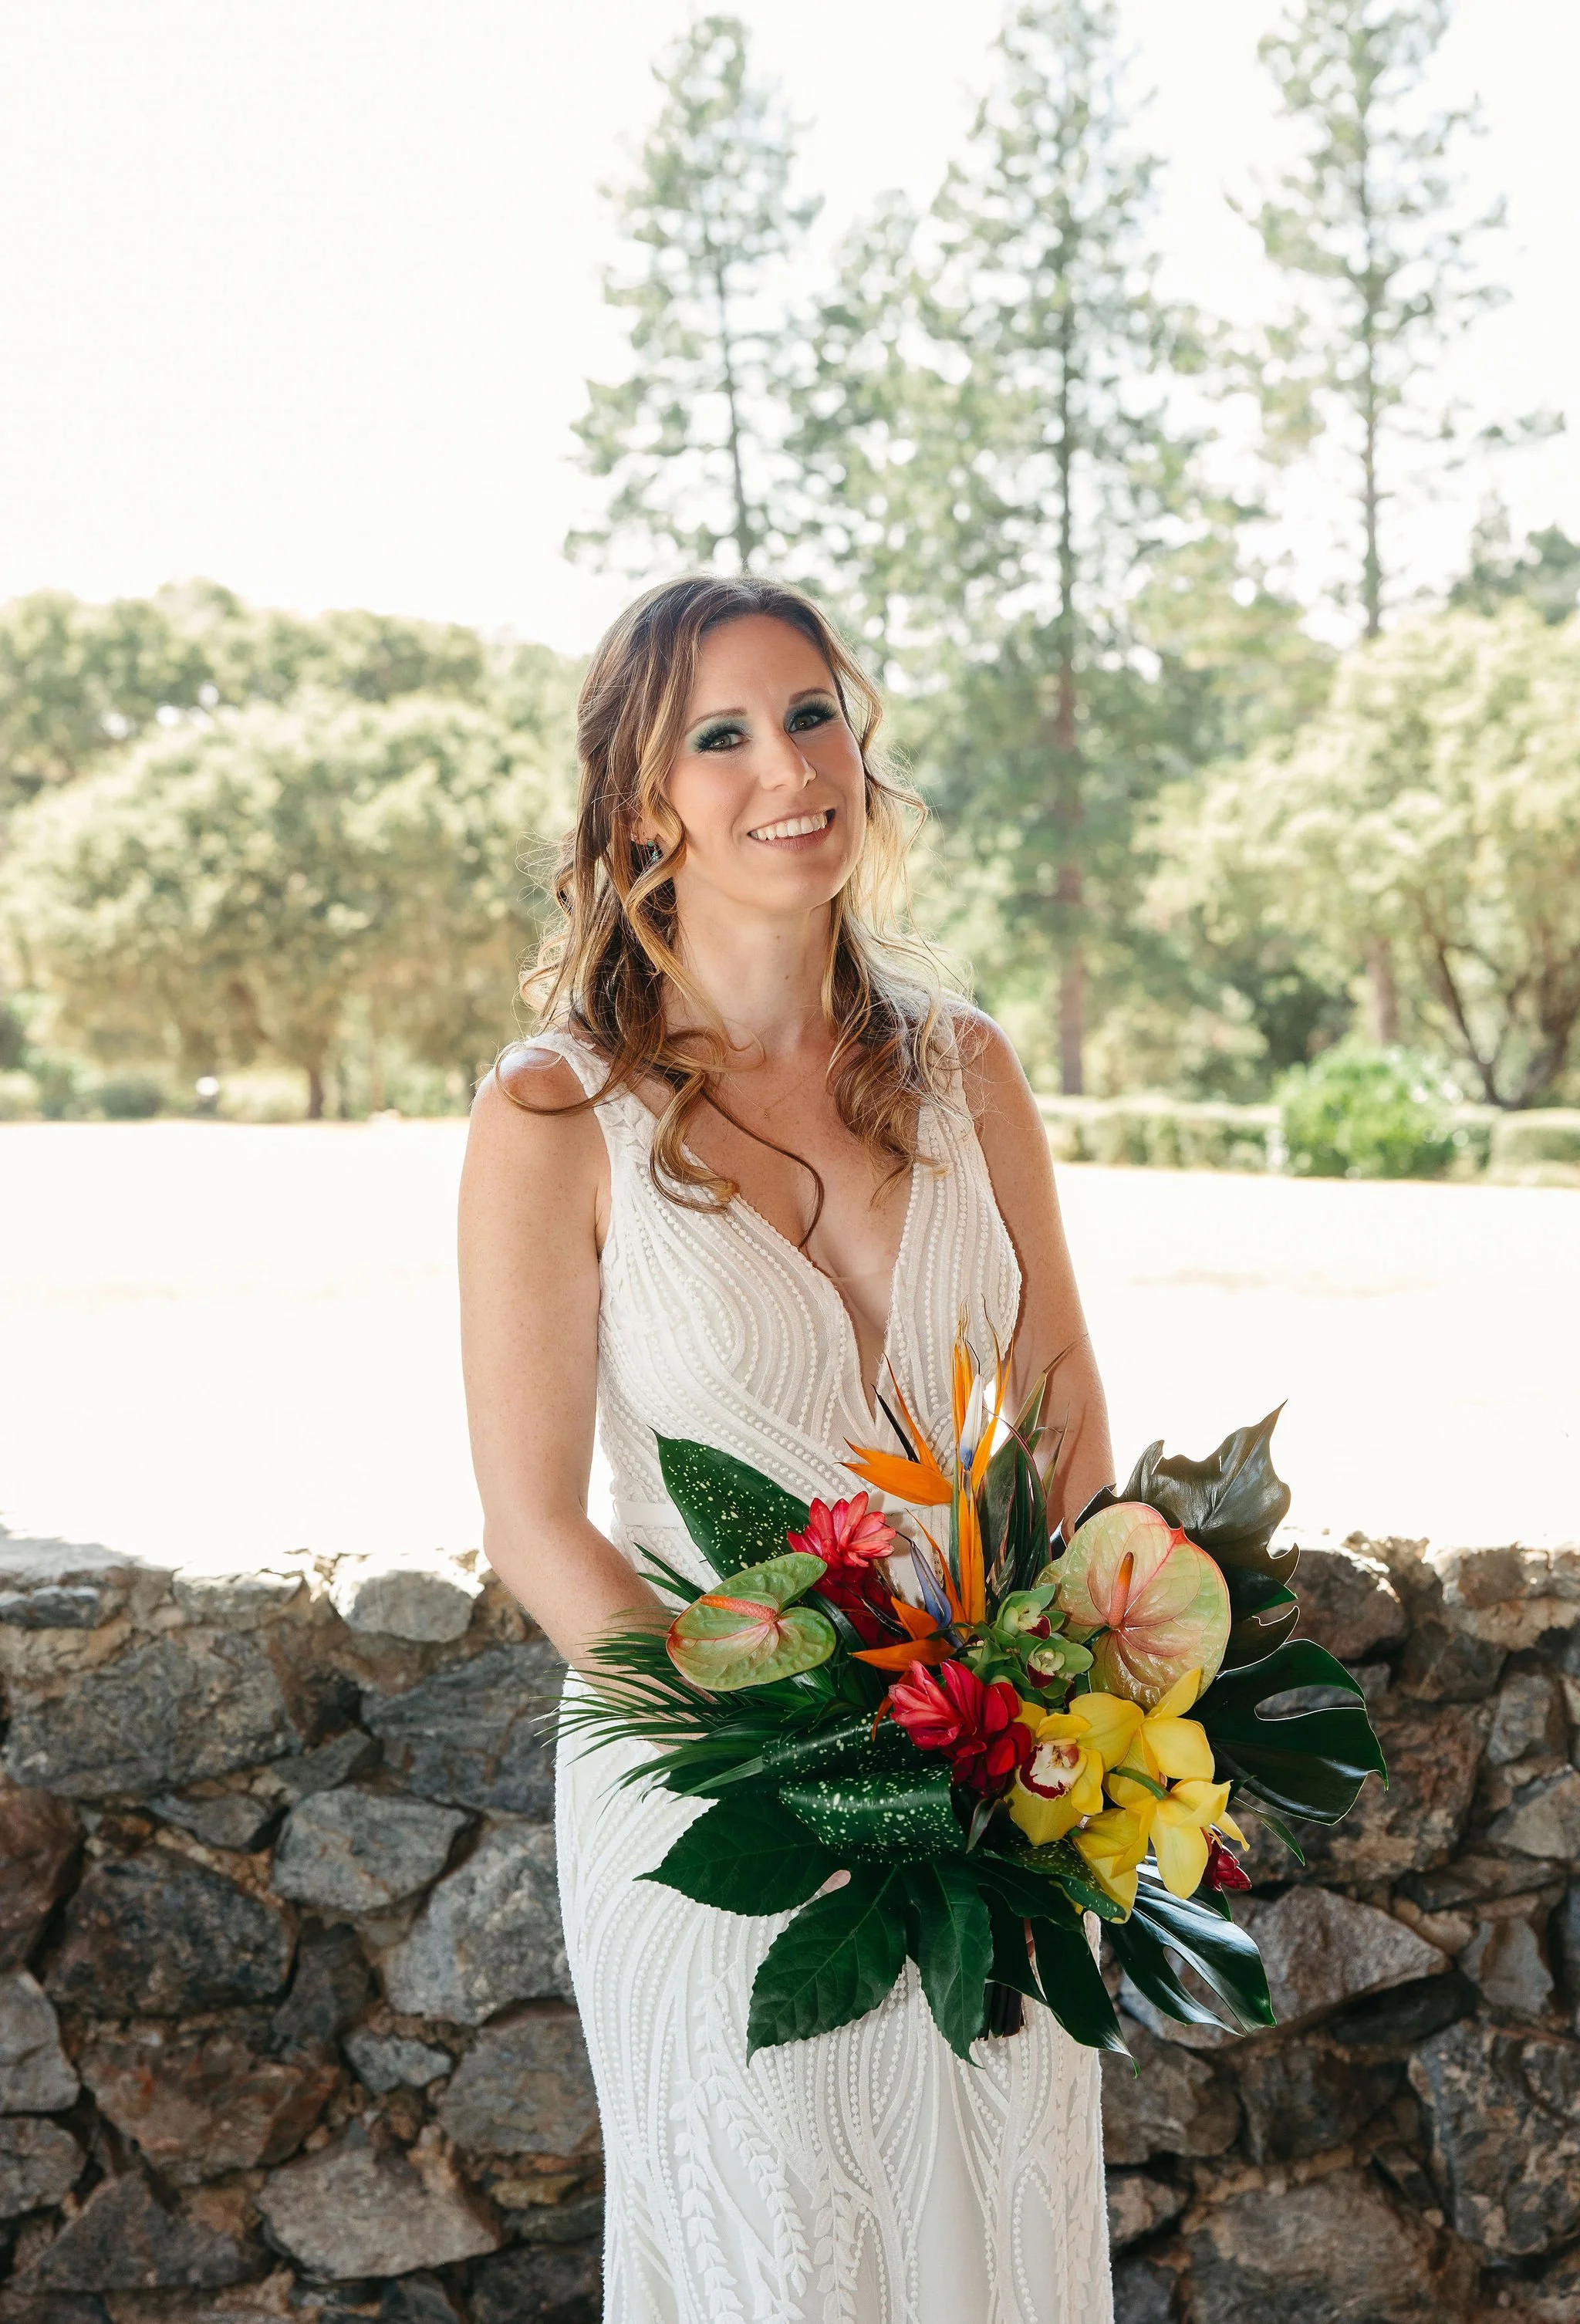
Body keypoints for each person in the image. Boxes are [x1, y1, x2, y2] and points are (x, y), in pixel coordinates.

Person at [458, 575, 1115, 2324]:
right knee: (788, 2264)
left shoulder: (963, 1068)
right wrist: (776, 1765)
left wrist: (1076, 1721)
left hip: (996, 1787)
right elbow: (535, 1526)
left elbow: (1062, 1427)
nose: (786, 768)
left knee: (997, 2231)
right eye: (721, 736)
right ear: (639, 803)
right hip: (717, 1817)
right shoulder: (553, 1114)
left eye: (812, 713)